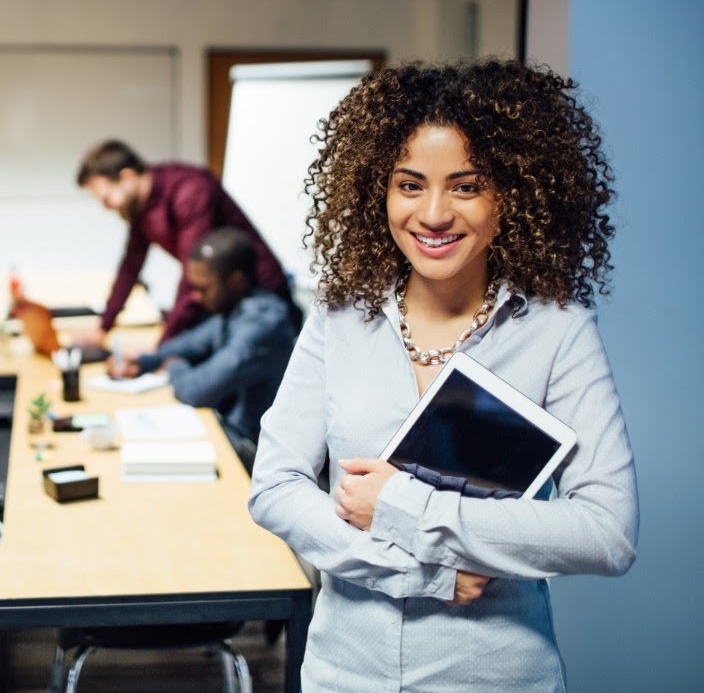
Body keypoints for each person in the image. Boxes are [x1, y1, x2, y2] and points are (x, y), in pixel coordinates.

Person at [248, 60, 638, 692]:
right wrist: (417, 572)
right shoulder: (337, 319)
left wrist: (405, 507)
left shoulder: (558, 332)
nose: (433, 214)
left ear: (511, 194)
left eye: (466, 186)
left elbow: (606, 532)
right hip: (342, 676)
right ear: (378, 191)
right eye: (409, 185)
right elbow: (275, 487)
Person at [76, 139, 302, 344]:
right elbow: (130, 266)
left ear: (127, 177)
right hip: (223, 297)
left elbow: (192, 276)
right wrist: (104, 327)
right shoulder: (140, 208)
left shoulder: (188, 190)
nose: (106, 207)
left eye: (106, 198)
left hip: (260, 292)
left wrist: (163, 347)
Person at [111, 227, 295, 471]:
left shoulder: (262, 325)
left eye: (204, 288)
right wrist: (146, 361)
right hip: (232, 438)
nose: (196, 297)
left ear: (236, 281)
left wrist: (175, 366)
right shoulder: (235, 309)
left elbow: (196, 391)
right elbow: (191, 342)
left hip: (256, 457)